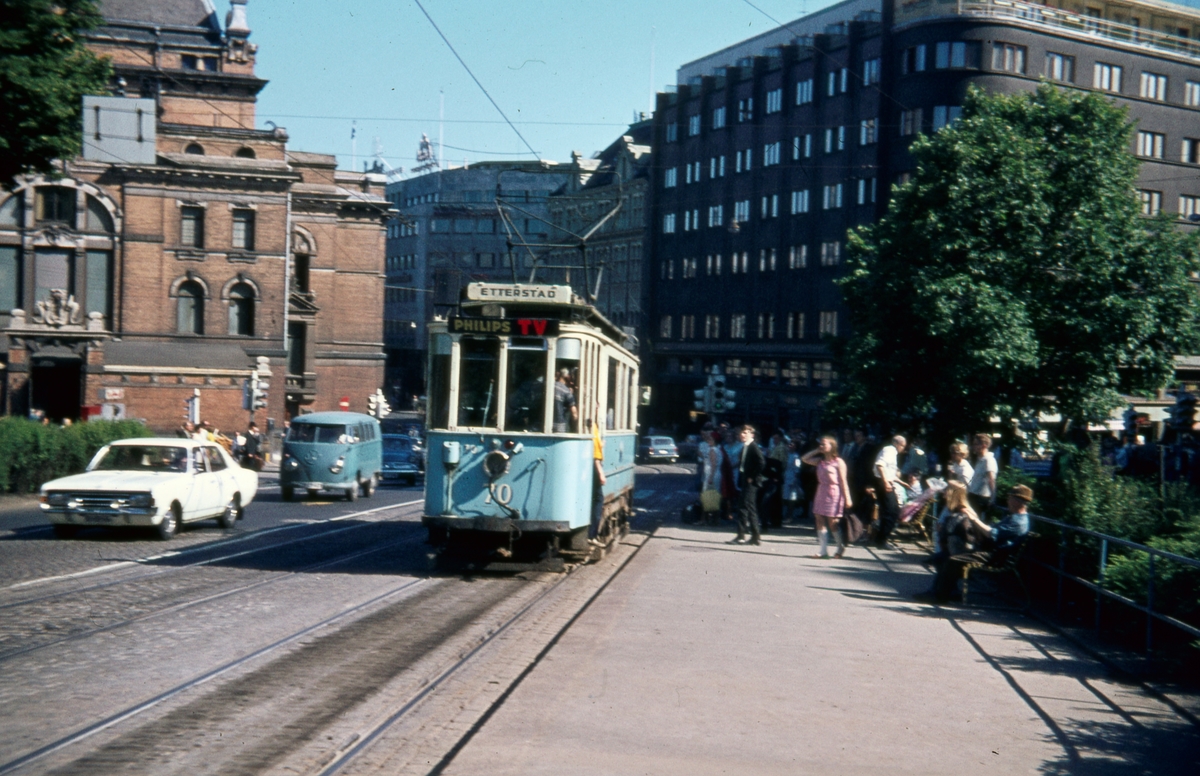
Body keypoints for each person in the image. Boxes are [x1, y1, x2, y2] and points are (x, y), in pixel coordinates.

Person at [922, 483, 1033, 602]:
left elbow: (991, 533)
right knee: (941, 557)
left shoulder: (1018, 522)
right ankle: (948, 592)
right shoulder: (1013, 517)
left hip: (996, 556)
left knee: (952, 560)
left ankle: (940, 596)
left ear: (1017, 501)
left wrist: (974, 519)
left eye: (1010, 499)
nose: (1008, 501)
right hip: (990, 551)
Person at [801, 435, 853, 559]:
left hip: (834, 491)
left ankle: (840, 546)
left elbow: (843, 481)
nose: (821, 446)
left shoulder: (838, 462)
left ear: (832, 446)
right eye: (821, 444)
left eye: (824, 444)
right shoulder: (820, 461)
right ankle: (823, 550)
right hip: (821, 491)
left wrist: (847, 497)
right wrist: (817, 451)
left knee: (832, 522)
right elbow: (804, 458)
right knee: (819, 519)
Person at [727, 425, 764, 546]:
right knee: (744, 507)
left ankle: (752, 535)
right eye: (741, 433)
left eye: (745, 433)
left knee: (747, 506)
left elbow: (761, 463)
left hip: (751, 482)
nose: (742, 435)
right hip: (744, 479)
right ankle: (745, 535)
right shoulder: (745, 447)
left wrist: (752, 477)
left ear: (752, 434)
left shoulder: (754, 447)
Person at [873, 434, 907, 547]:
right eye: (903, 446)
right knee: (892, 511)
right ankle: (882, 540)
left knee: (890, 511)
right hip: (884, 483)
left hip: (885, 482)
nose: (903, 449)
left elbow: (889, 471)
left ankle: (880, 539)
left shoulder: (892, 452)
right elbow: (880, 466)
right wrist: (886, 482)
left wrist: (900, 482)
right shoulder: (889, 450)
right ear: (897, 444)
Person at [587, 417, 607, 545]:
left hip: (591, 466)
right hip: (594, 467)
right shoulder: (591, 424)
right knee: (598, 499)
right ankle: (592, 535)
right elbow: (595, 455)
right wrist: (600, 473)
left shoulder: (592, 424)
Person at [968, 433, 998, 517]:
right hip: (973, 495)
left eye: (976, 444)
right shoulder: (980, 460)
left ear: (984, 445)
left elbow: (991, 479)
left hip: (980, 498)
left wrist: (993, 498)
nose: (973, 447)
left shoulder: (988, 460)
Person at [552, 368, 578, 433]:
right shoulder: (566, 391)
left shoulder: (551, 386)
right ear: (568, 376)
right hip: (560, 425)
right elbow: (574, 413)